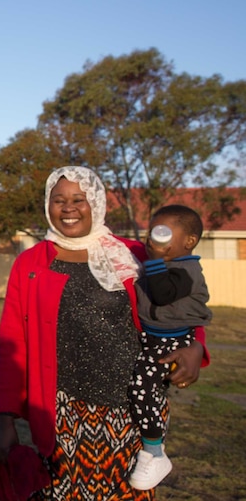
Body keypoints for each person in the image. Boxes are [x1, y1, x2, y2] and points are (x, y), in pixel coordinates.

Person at [0, 166, 208, 501]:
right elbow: (12, 346)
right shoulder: (31, 264)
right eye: (58, 200)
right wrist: (5, 420)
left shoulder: (134, 254)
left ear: (96, 202)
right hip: (59, 413)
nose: (68, 207)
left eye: (79, 199)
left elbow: (182, 301)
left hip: (129, 410)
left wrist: (195, 347)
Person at [127, 204, 212, 490]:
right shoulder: (165, 265)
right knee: (143, 388)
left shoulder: (186, 270)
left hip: (172, 340)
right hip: (152, 338)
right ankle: (151, 447)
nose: (154, 240)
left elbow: (162, 295)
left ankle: (154, 451)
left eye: (163, 233)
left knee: (143, 388)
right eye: (153, 233)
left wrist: (153, 260)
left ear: (188, 241)